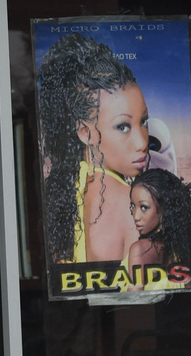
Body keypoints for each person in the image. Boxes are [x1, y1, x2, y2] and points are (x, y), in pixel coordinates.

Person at [37, 32, 151, 268]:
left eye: (144, 122)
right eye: (123, 126)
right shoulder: (128, 201)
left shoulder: (70, 191)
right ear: (85, 133)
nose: (142, 142)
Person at [127, 168, 191, 279]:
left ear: (164, 208)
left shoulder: (140, 249)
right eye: (133, 206)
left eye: (144, 207)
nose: (136, 216)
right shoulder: (184, 246)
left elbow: (135, 295)